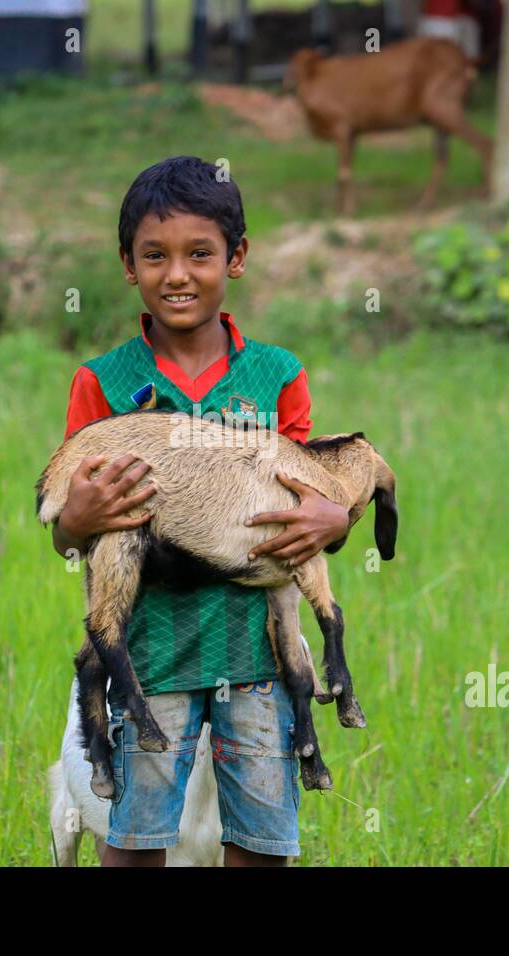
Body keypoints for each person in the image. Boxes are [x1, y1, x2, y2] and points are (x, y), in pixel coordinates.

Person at [49, 156, 350, 867]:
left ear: (236, 258)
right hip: (149, 654)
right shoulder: (104, 383)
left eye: (199, 254)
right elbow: (68, 532)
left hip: (257, 656)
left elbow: (312, 496)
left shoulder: (276, 378)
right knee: (133, 834)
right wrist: (76, 518)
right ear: (128, 265)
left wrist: (339, 523)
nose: (176, 274)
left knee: (261, 839)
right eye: (154, 255)